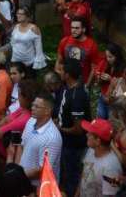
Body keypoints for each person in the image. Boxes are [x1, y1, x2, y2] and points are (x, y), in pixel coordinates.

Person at [56, 59, 89, 197]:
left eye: (62, 70)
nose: (59, 72)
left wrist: (59, 128)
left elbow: (79, 129)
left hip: (73, 146)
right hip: (64, 142)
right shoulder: (65, 88)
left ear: (68, 75)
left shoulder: (77, 96)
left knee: (71, 177)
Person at [16, 91, 61, 185]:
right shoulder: (31, 121)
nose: (32, 108)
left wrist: (18, 175)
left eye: (37, 107)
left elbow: (44, 169)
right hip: (22, 180)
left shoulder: (52, 138)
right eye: (33, 105)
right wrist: (17, 169)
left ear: (47, 111)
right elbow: (22, 145)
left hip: (38, 188)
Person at [78, 118, 122, 197]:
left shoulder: (112, 168)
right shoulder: (91, 151)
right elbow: (84, 177)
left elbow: (111, 195)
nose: (86, 134)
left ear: (98, 141)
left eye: (90, 134)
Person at [56, 19, 101, 84]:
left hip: (82, 83)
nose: (73, 30)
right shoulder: (65, 41)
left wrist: (87, 86)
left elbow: (93, 69)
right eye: (72, 27)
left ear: (83, 29)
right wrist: (61, 75)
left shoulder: (92, 45)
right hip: (66, 82)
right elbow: (59, 61)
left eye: (77, 28)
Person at [9, 7, 45, 71]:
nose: (18, 15)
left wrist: (37, 62)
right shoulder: (16, 27)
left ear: (27, 16)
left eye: (21, 14)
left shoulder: (34, 28)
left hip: (29, 63)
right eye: (17, 13)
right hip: (15, 61)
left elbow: (38, 48)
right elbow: (12, 43)